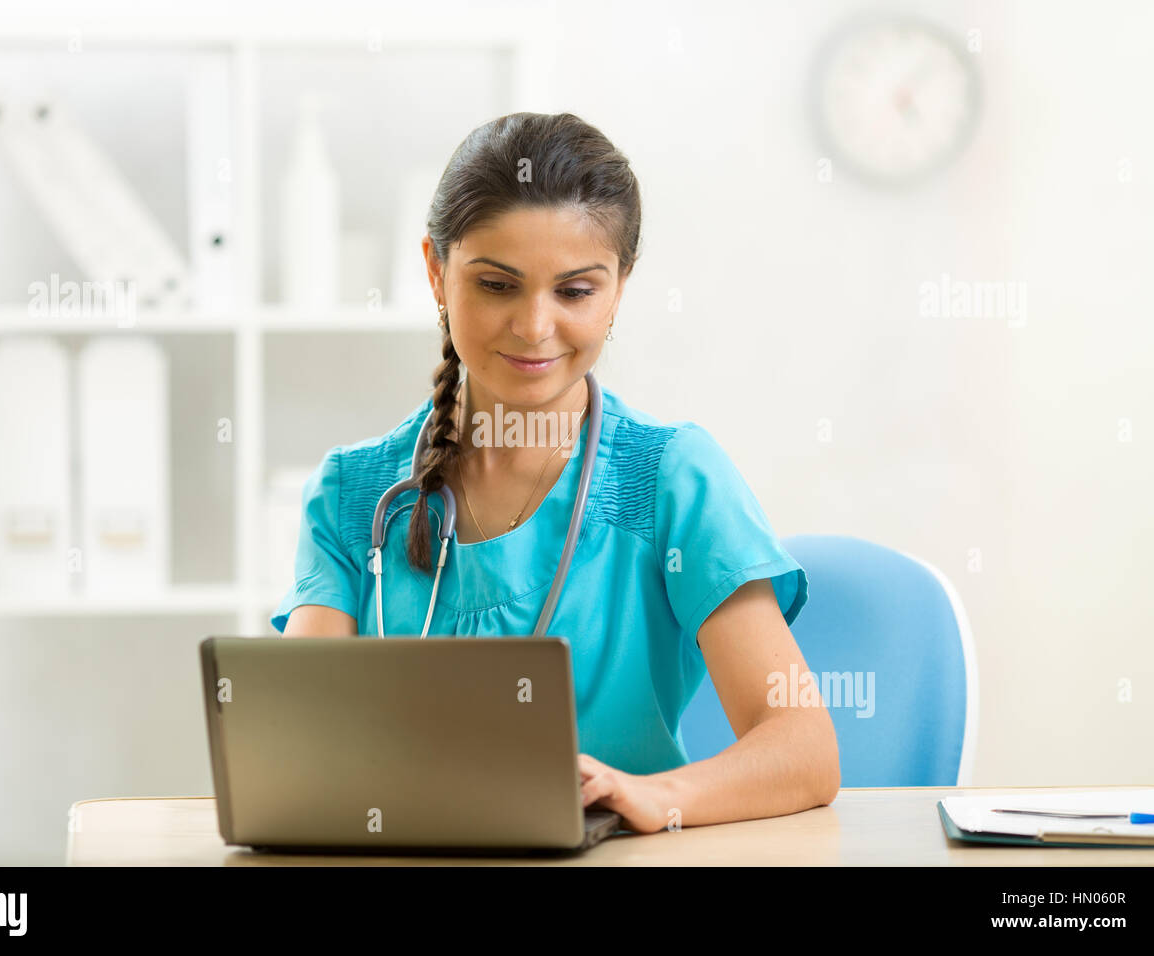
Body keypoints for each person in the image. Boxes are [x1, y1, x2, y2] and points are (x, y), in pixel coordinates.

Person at [273, 111, 839, 833]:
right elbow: (296, 741)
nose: (535, 326)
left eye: (574, 292)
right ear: (435, 272)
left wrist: (652, 795)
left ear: (619, 289)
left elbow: (802, 750)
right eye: (498, 286)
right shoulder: (355, 496)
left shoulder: (670, 478)